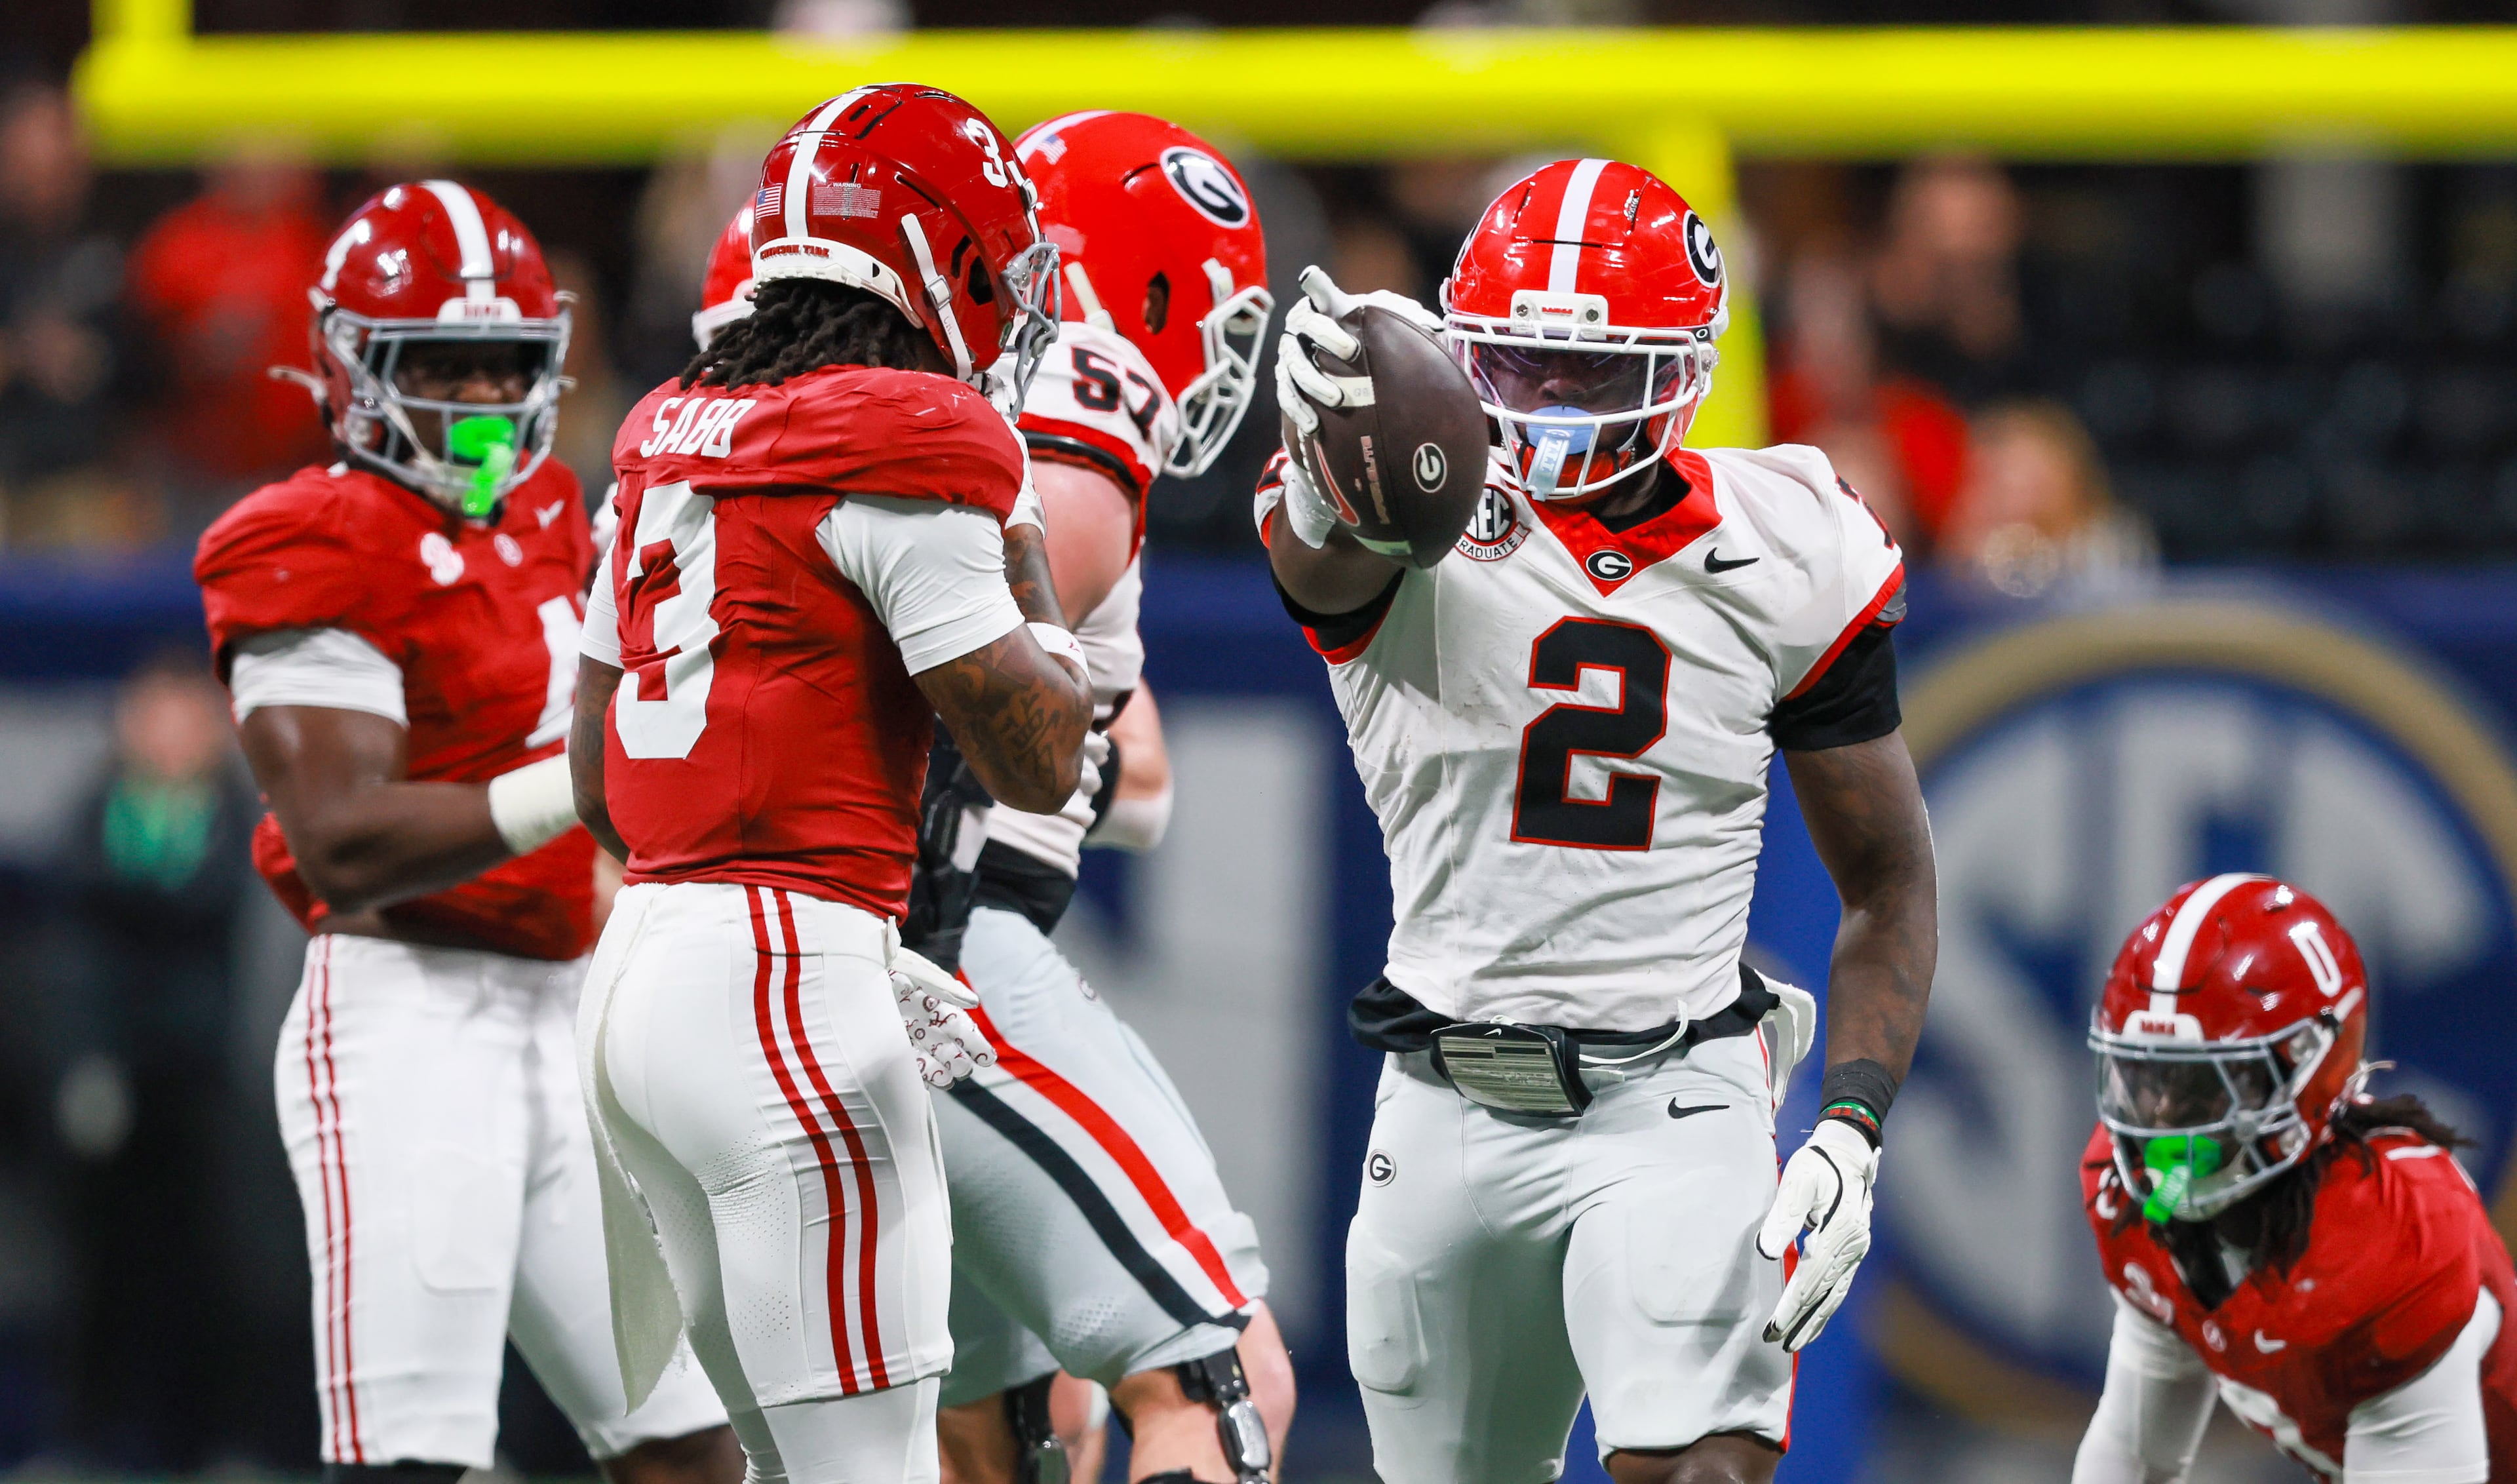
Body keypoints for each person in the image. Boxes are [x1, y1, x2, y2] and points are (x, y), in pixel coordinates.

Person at [1262, 158, 1940, 1484]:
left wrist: (1851, 1131)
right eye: (1519, 367)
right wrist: (1334, 446)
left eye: (1593, 373)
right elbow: (1321, 550)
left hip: (1671, 1098)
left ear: (1683, 371)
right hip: (1446, 1102)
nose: (1554, 406)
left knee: (1702, 1466)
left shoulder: (1788, 541)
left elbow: (1887, 881)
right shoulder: (1397, 521)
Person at [568, 86, 1092, 1484]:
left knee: (773, 1463)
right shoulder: (912, 436)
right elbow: (1041, 753)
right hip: (780, 995)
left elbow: (597, 782)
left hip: (632, 991)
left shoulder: (659, 436)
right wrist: (1022, 527)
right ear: (934, 259)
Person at [193, 180, 737, 1484]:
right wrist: (576, 783)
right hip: (408, 1022)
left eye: (509, 362)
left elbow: (601, 809)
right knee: (417, 1460)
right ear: (353, 364)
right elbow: (341, 838)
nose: (485, 395)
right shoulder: (310, 536)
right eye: (444, 363)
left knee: (689, 1446)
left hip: (562, 1007)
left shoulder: (549, 506)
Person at [905, 109, 1293, 1484]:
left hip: (757, 942)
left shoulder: (901, 383)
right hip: (934, 942)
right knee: (1218, 1374)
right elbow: (969, 667)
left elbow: (1127, 764)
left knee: (1004, 1429)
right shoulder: (1084, 385)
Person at [2073, 874, 2517, 1483]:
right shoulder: (2139, 1201)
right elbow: (2133, 1456)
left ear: (2309, 1068)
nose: (2161, 1123)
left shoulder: (2392, 1239)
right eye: (2147, 1080)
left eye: (2204, 1087)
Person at [54, 654, 260, 1470]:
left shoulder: (244, 821)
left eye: (188, 715)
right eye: (154, 714)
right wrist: (85, 1057)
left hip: (212, 1077)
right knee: (101, 1265)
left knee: (215, 1263)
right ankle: (84, 1437)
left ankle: (214, 1441)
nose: (171, 733)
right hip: (115, 1073)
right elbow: (75, 948)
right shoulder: (92, 816)